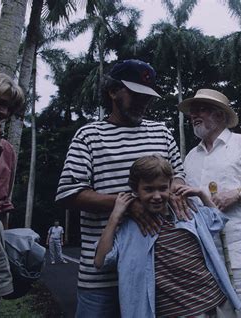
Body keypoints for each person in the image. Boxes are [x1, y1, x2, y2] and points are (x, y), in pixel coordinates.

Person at [55, 59, 187, 317]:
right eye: (135, 94)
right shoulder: (89, 135)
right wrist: (128, 205)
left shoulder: (162, 132)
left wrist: (175, 189)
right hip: (102, 277)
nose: (143, 101)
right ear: (113, 91)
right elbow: (69, 192)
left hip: (157, 271)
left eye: (147, 96)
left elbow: (179, 177)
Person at [94, 155, 241, 317]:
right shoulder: (130, 228)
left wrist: (202, 195)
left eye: (163, 188)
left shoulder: (186, 211)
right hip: (173, 312)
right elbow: (101, 260)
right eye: (149, 189)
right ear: (135, 190)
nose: (157, 196)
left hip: (214, 303)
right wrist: (115, 216)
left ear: (170, 186)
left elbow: (217, 220)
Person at [179, 88, 241, 318]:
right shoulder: (191, 156)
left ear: (220, 115)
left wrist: (236, 194)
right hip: (202, 251)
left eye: (201, 109)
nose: (194, 114)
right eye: (193, 110)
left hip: (238, 247)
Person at [0, 73, 25, 318]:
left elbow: (4, 204)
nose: (3, 111)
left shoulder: (7, 150)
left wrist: (6, 245)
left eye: (9, 108)